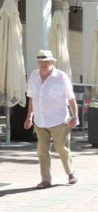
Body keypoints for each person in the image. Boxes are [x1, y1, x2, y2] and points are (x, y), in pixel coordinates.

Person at [24, 49, 78, 189]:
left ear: (52, 62)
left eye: (46, 61)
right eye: (41, 61)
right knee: (42, 151)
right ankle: (45, 179)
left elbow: (71, 99)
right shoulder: (33, 76)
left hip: (59, 120)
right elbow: (31, 97)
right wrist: (29, 116)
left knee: (62, 148)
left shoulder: (61, 76)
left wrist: (75, 116)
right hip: (40, 121)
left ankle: (70, 172)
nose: (43, 64)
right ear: (37, 62)